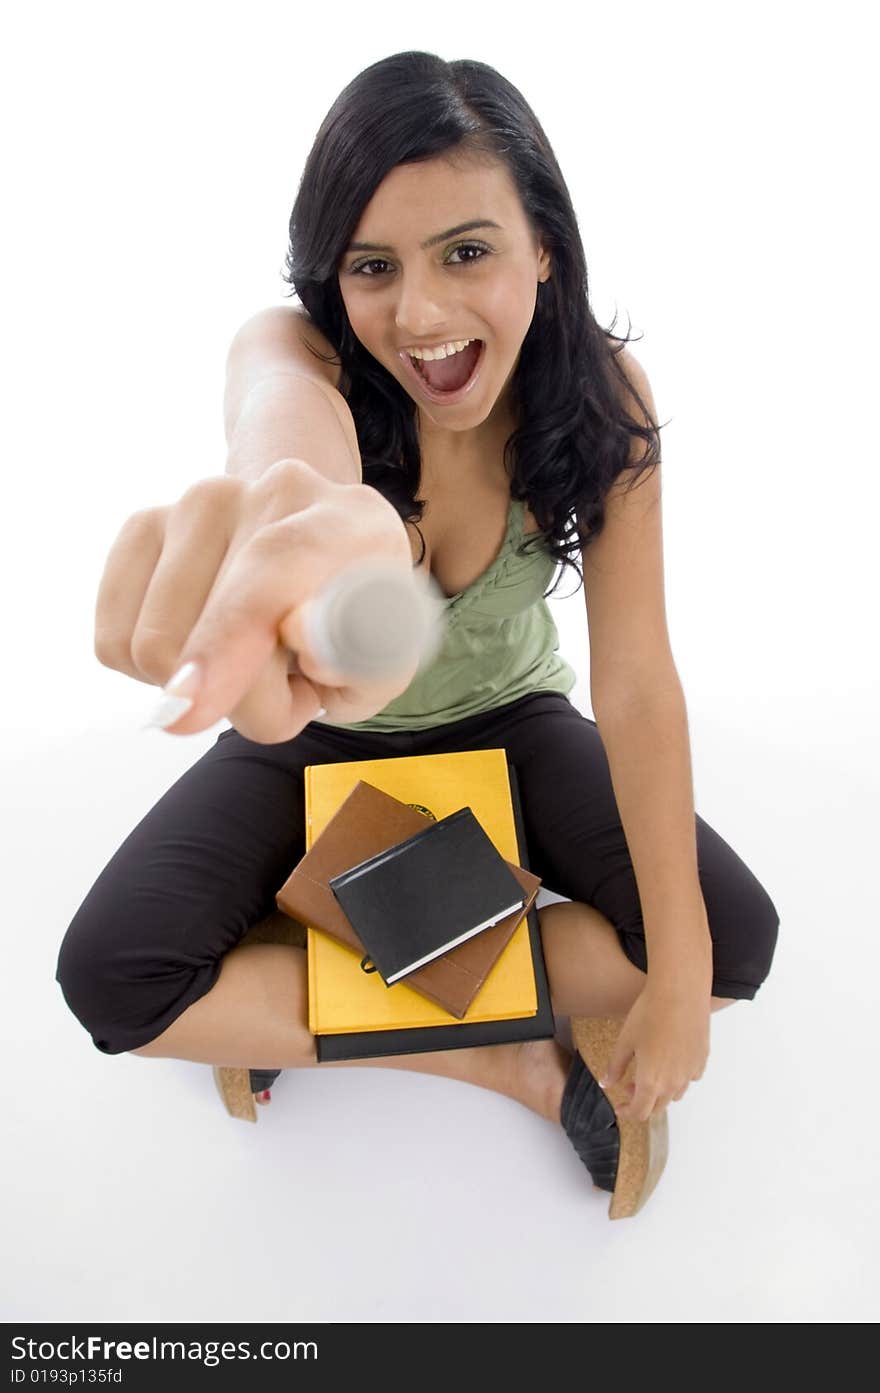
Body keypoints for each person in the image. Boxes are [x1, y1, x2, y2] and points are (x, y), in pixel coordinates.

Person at [54, 50, 779, 1220]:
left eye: (467, 251)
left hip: (512, 724)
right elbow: (277, 425)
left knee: (727, 941)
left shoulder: (600, 394)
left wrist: (683, 973)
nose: (422, 314)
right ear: (330, 277)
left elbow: (636, 682)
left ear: (543, 247)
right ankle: (502, 1057)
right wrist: (315, 509)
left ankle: (313, 988)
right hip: (323, 737)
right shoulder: (300, 358)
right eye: (373, 267)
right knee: (115, 983)